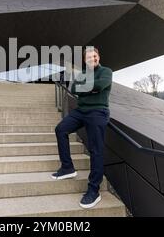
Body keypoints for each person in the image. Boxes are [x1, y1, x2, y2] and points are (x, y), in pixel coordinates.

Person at [52, 47, 112, 209]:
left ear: (98, 57)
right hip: (80, 111)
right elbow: (73, 89)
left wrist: (85, 88)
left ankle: (94, 190)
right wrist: (89, 88)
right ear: (85, 60)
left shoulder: (106, 71)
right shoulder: (81, 74)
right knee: (60, 129)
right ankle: (67, 168)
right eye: (89, 57)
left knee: (96, 150)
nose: (93, 58)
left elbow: (101, 85)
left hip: (98, 111)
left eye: (95, 55)